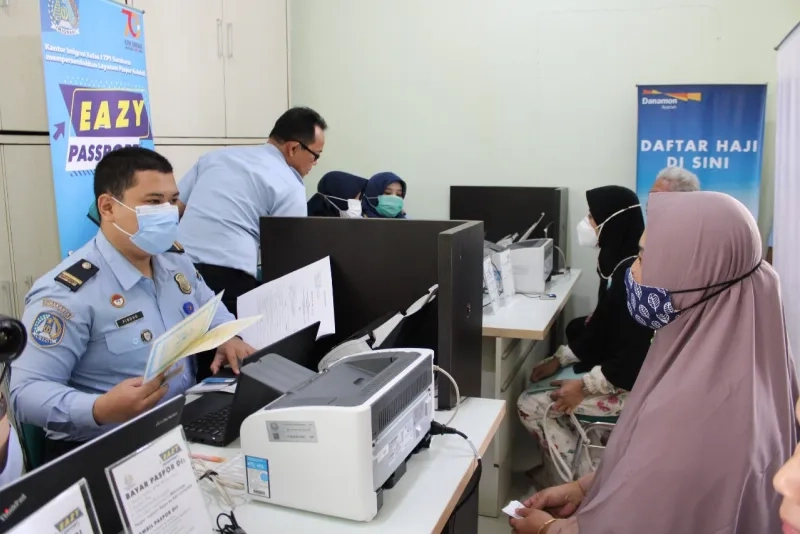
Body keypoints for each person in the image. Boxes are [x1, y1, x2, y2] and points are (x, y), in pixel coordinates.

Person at [510, 192, 798, 534]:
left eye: (645, 258)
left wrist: (550, 531)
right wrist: (584, 489)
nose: (633, 269)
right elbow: (649, 481)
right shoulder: (747, 358)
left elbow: (641, 517)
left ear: (694, 275)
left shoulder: (694, 407)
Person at [10, 147, 255, 462]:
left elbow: (207, 303)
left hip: (180, 430)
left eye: (172, 200)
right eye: (153, 202)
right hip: (103, 449)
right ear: (108, 207)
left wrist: (226, 335)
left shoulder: (173, 259)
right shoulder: (67, 294)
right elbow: (24, 392)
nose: (169, 211)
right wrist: (99, 409)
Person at [517, 186, 652, 483]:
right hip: (623, 373)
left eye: (593, 217)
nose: (586, 223)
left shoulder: (633, 276)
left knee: (530, 404)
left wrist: (584, 387)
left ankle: (578, 488)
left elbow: (634, 357)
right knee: (548, 382)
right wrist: (561, 357)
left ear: (612, 222)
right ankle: (570, 471)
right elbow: (601, 326)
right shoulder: (620, 265)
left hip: (632, 388)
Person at [177, 107, 327, 317]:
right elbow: (286, 257)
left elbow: (175, 208)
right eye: (315, 155)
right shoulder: (290, 184)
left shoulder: (216, 157)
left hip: (177, 268)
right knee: (228, 347)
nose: (316, 163)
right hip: (227, 278)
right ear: (293, 148)